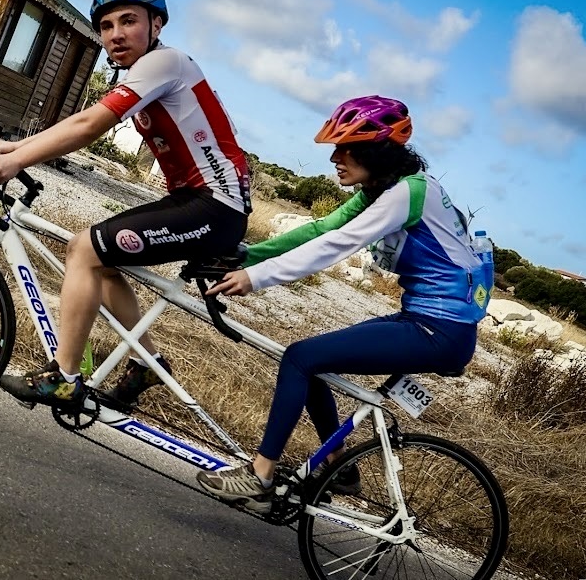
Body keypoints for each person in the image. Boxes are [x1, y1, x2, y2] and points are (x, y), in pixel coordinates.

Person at [194, 95, 489, 512]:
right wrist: (248, 256)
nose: (335, 157)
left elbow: (337, 245)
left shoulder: (405, 194)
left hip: (438, 330)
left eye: (345, 148)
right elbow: (323, 229)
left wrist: (256, 278)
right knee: (312, 361)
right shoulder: (389, 188)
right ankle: (340, 467)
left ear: (376, 151)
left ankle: (259, 475)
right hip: (426, 319)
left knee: (299, 358)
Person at [0, 0, 251, 409]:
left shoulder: (164, 63)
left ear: (156, 25)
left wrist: (18, 161)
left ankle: (64, 378)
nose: (116, 34)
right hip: (196, 201)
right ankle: (145, 363)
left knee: (84, 249)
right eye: (106, 26)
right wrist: (18, 147)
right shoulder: (146, 71)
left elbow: (89, 127)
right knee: (100, 262)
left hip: (215, 205)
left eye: (128, 21)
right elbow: (84, 118)